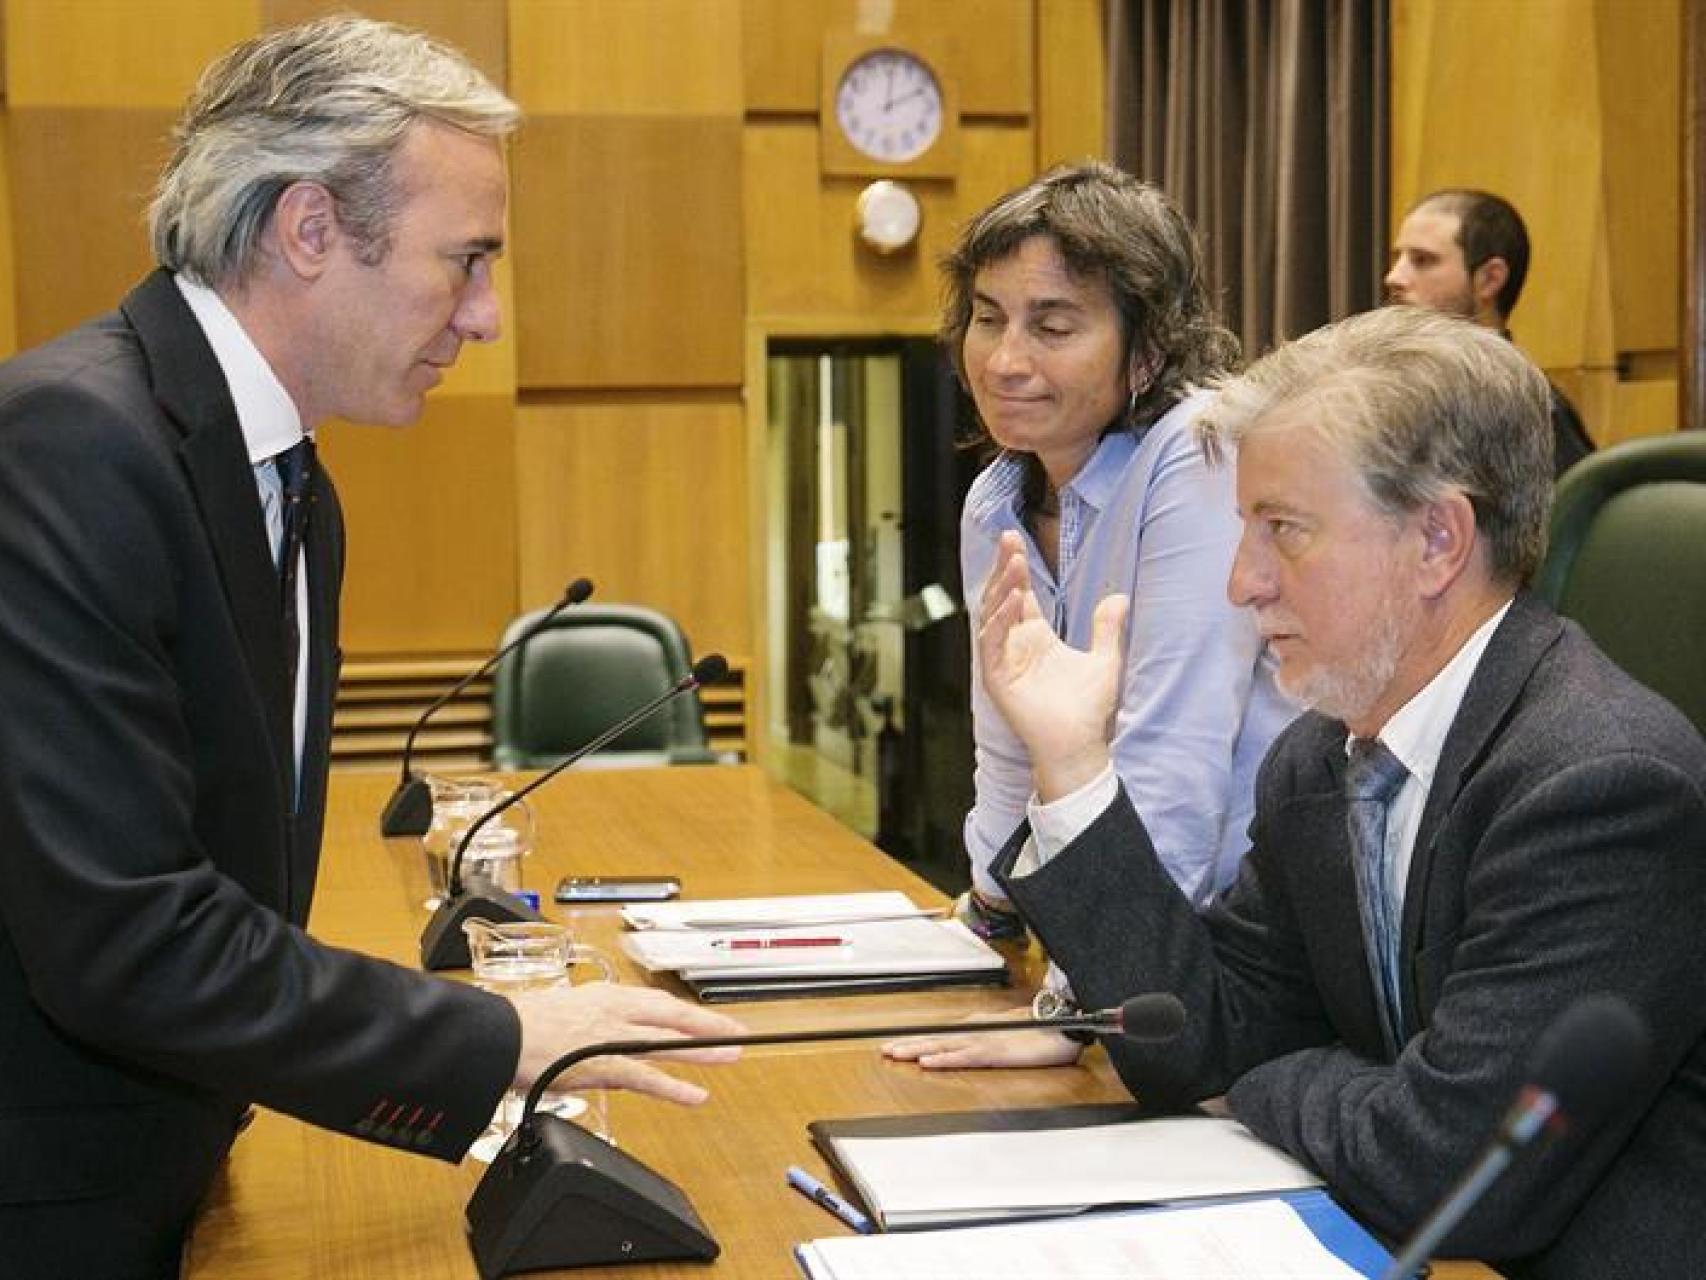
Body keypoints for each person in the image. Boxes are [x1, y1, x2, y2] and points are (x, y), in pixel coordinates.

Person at [0, 18, 743, 1277]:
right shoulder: (69, 447)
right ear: (307, 230)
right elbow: (125, 934)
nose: (488, 315)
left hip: (169, 1150)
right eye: (463, 262)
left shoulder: (287, 476)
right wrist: (491, 1033)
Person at [923, 305, 1706, 1278]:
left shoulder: (1601, 786)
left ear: (1435, 541)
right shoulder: (1320, 758)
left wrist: (1269, 1080)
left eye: (1282, 529)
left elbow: (1449, 1165)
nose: (1241, 581)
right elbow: (1195, 1040)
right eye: (1243, 527)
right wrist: (1074, 767)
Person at [940, 163, 1294, 991]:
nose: (1004, 360)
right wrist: (985, 933)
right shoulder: (995, 500)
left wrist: (1088, 1007)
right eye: (988, 319)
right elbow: (1009, 744)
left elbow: (1172, 762)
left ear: (1147, 349)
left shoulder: (1202, 456)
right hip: (1119, 946)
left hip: (1236, 948)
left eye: (1053, 327)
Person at [1385, 188, 1595, 477]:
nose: (1393, 277)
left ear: (1489, 279)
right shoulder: (1386, 393)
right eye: (1398, 258)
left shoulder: (1528, 410)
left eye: (1422, 260)